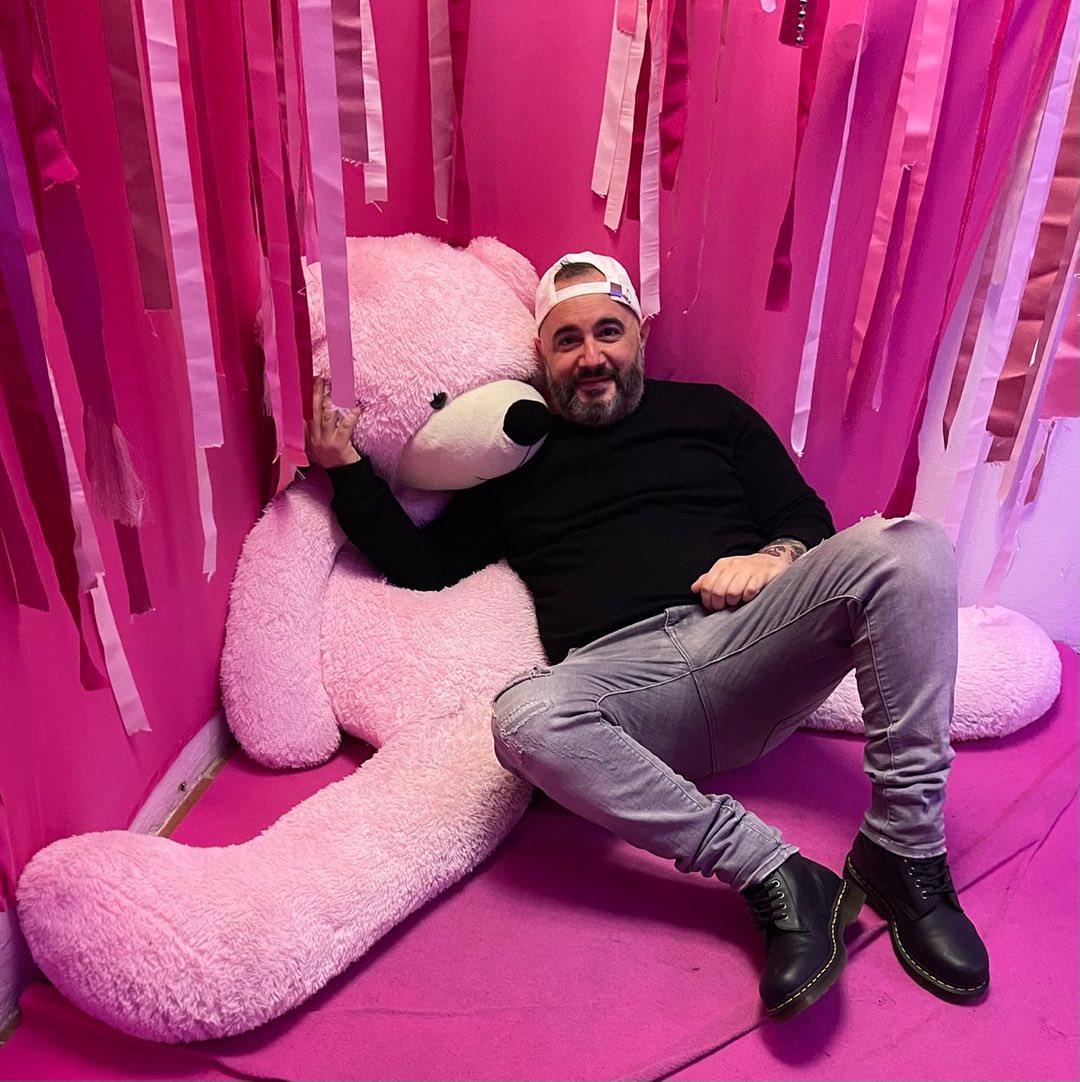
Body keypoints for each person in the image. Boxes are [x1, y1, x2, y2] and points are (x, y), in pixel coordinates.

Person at [307, 252, 989, 1019]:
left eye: (608, 332)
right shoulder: (513, 458)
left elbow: (803, 517)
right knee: (525, 717)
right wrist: (347, 470)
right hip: (626, 694)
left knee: (911, 545)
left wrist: (773, 559)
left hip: (749, 648)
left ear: (639, 336)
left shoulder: (712, 413)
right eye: (567, 340)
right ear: (542, 356)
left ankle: (904, 848)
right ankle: (777, 874)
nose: (591, 355)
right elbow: (425, 566)